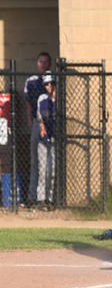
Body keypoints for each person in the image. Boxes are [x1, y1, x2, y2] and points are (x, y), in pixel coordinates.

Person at [22, 52, 52, 210]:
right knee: (35, 161)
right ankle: (32, 196)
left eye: (46, 62)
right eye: (41, 61)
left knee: (48, 164)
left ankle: (48, 198)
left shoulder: (51, 81)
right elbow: (28, 104)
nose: (43, 64)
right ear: (37, 63)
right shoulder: (31, 81)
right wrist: (30, 121)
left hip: (50, 125)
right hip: (36, 122)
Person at [35, 77, 57, 211]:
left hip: (55, 138)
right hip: (44, 138)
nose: (49, 85)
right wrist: (42, 128)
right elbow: (39, 117)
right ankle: (41, 198)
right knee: (42, 169)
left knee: (52, 170)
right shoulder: (42, 99)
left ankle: (50, 199)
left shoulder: (59, 99)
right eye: (46, 83)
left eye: (51, 83)